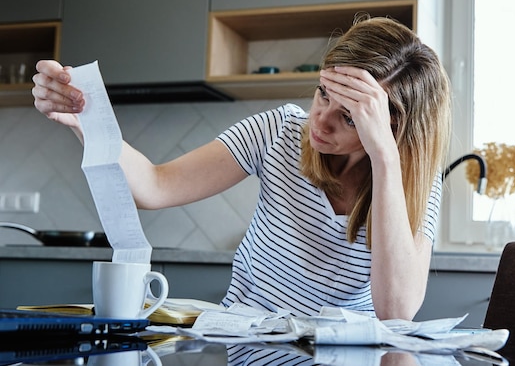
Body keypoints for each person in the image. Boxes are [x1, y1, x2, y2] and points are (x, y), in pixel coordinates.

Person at [32, 16, 452, 321]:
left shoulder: (410, 177)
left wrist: (384, 159)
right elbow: (155, 187)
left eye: (350, 117)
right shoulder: (279, 131)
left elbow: (396, 310)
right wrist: (85, 121)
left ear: (393, 128)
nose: (320, 121)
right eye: (323, 94)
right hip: (250, 347)